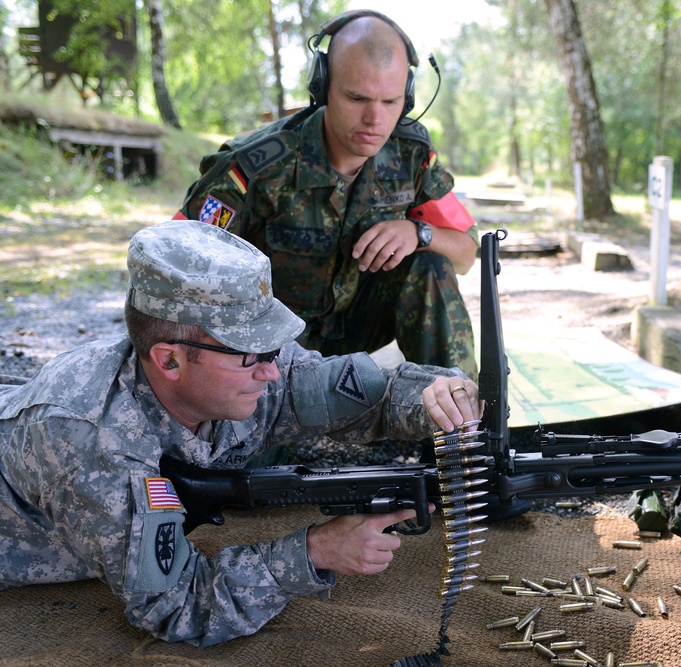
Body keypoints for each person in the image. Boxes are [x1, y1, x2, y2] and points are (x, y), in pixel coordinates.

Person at [0, 219, 481, 647]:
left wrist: (437, 395)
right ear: (170, 359)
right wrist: (315, 550)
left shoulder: (245, 363)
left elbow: (358, 392)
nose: (273, 371)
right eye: (251, 353)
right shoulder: (89, 440)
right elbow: (178, 608)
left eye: (271, 346)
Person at [174, 9, 479, 381]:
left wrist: (419, 234)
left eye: (390, 102)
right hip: (267, 347)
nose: (375, 120)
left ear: (409, 97)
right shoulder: (255, 166)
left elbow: (466, 253)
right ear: (322, 87)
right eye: (357, 98)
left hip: (359, 333)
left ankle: (459, 423)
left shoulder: (412, 156)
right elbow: (174, 265)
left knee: (432, 264)